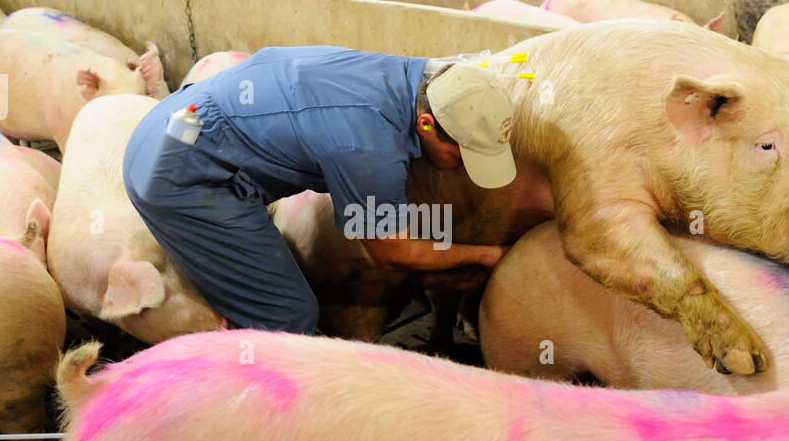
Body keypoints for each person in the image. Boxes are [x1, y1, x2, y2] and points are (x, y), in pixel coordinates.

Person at [122, 45, 516, 333]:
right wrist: (487, 253)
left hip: (175, 121)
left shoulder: (413, 75)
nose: (461, 166)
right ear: (427, 125)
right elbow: (393, 252)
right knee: (287, 316)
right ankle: (259, 421)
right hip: (179, 174)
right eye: (460, 156)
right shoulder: (368, 145)